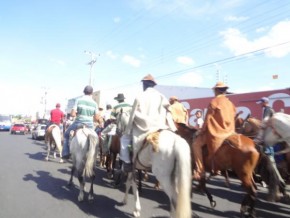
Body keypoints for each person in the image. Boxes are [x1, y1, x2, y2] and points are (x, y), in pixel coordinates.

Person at [124, 74, 177, 166]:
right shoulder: (162, 97)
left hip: (143, 130)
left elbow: (132, 115)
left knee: (125, 140)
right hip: (160, 128)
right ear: (153, 85)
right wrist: (173, 129)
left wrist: (128, 130)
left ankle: (129, 163)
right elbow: (169, 111)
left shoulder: (139, 96)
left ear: (144, 84)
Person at [192, 81, 236, 180]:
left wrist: (201, 131)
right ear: (225, 91)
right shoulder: (230, 103)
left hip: (217, 133)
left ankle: (200, 171)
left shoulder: (214, 102)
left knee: (196, 144)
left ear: (216, 90)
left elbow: (208, 119)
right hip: (230, 132)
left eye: (214, 90)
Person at [62, 85, 99, 159]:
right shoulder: (94, 103)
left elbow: (72, 114)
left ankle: (66, 153)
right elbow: (96, 118)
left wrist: (77, 114)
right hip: (89, 125)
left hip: (78, 122)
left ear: (84, 92)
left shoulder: (79, 100)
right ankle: (95, 155)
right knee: (96, 138)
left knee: (66, 135)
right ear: (91, 93)